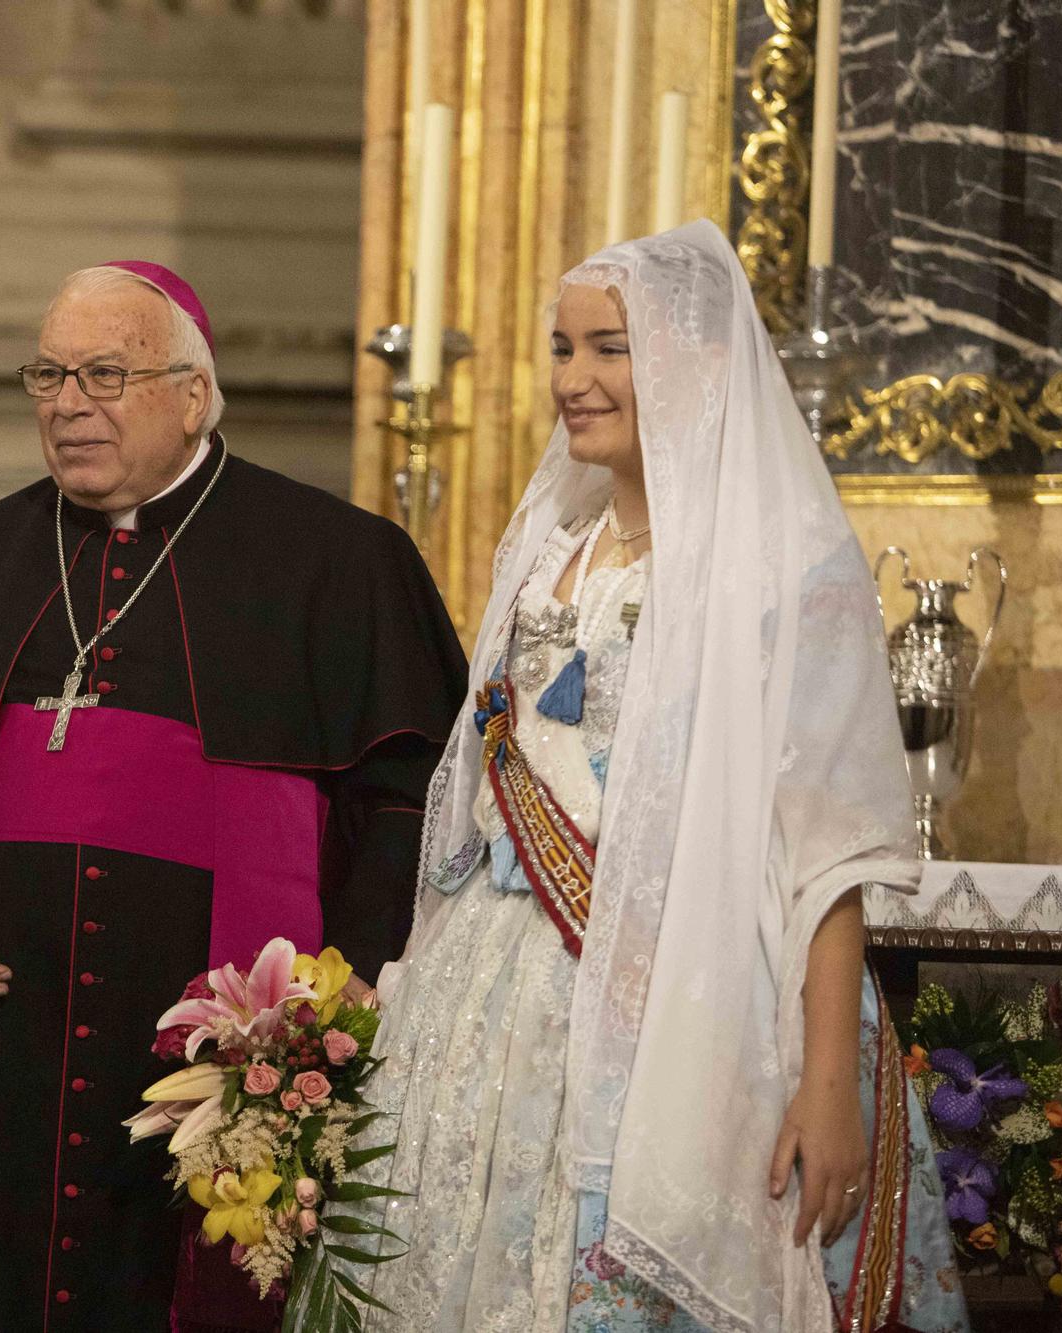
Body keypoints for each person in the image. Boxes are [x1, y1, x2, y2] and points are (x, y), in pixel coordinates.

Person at [339, 221, 969, 1332]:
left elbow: (820, 851)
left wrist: (826, 1080)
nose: (572, 381)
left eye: (607, 349)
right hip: (492, 993)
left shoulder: (780, 568)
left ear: (696, 362)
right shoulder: (545, 546)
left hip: (690, 994)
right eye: (560, 349)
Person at [0, 261, 468, 1331]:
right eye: (48, 374)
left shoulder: (337, 562)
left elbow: (405, 805)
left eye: (104, 375)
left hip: (220, 1053)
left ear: (191, 395)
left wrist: (327, 1015)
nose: (66, 403)